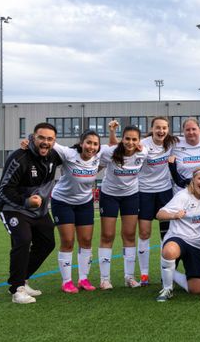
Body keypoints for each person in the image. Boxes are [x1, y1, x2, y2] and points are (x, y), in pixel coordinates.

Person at [0, 122, 62, 304]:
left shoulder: (54, 156)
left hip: (38, 212)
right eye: (41, 137)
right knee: (23, 240)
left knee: (47, 243)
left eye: (50, 139)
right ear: (33, 138)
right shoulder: (19, 158)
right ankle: (17, 289)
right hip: (13, 208)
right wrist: (26, 201)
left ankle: (22, 280)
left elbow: (80, 152)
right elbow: (3, 190)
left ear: (54, 141)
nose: (45, 142)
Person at [48, 130, 101, 293]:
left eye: (95, 144)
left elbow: (117, 147)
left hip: (84, 202)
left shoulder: (99, 156)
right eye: (88, 142)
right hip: (62, 201)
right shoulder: (69, 153)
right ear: (81, 143)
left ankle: (83, 279)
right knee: (68, 241)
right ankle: (67, 282)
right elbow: (49, 142)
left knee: (86, 240)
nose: (91, 147)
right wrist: (28, 142)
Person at [97, 124, 149, 290]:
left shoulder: (143, 152)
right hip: (109, 195)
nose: (130, 142)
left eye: (134, 139)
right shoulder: (110, 152)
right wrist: (112, 132)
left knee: (129, 234)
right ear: (122, 139)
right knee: (107, 235)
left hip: (131, 196)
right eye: (127, 138)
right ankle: (105, 279)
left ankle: (129, 277)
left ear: (139, 141)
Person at [155, 167, 200, 302]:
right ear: (193, 179)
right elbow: (159, 214)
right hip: (178, 238)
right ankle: (167, 289)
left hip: (197, 244)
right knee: (169, 251)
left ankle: (170, 273)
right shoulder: (183, 195)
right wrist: (174, 215)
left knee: (196, 289)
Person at [134, 117, 179, 286]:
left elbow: (193, 138)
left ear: (168, 129)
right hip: (144, 192)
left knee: (166, 235)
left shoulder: (172, 143)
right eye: (158, 127)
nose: (161, 131)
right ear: (152, 128)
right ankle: (144, 275)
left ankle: (164, 272)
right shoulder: (143, 144)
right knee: (144, 233)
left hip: (165, 192)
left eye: (164, 128)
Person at [172, 118, 200, 192]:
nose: (191, 132)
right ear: (183, 131)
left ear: (199, 130)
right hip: (183, 191)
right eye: (187, 130)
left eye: (194, 129)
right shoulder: (175, 143)